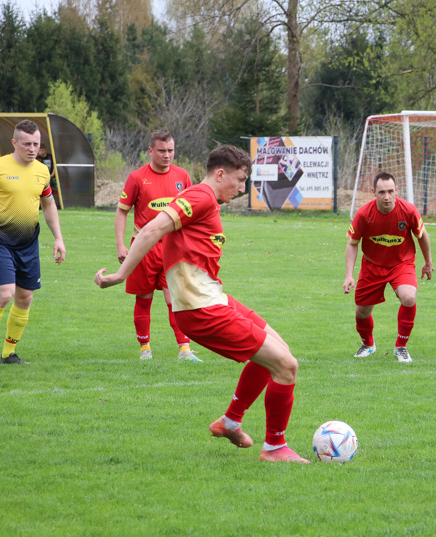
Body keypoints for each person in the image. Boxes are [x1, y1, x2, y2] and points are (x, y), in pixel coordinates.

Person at [95, 145, 309, 463]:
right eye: (239, 180)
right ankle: (275, 448)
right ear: (220, 173)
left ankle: (231, 422)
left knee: (280, 353)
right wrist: (120, 275)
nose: (241, 188)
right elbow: (152, 228)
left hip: (214, 299)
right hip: (201, 310)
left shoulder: (205, 200)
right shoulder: (201, 197)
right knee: (286, 366)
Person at [0, 119, 66, 366]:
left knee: (25, 298)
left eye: (36, 144)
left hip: (28, 243)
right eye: (27, 144)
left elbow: (49, 204)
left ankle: (9, 353)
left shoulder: (42, 171)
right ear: (14, 143)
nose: (32, 149)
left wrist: (59, 238)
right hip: (0, 241)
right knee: (5, 293)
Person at [115, 129, 200, 361]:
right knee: (143, 298)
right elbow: (122, 211)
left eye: (171, 150)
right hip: (144, 248)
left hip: (174, 248)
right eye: (162, 151)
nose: (167, 155)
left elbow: (191, 211)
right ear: (151, 151)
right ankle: (145, 349)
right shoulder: (136, 178)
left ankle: (185, 349)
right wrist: (121, 245)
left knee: (175, 298)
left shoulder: (183, 176)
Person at [344, 172, 434, 363]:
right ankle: (368, 344)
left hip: (402, 264)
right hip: (372, 266)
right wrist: (348, 275)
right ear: (373, 192)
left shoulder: (408, 211)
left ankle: (401, 347)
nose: (387, 196)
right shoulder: (363, 214)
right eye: (382, 192)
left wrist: (428, 262)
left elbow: (422, 236)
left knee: (409, 296)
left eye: (391, 191)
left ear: (396, 191)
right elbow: (353, 243)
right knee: (361, 312)